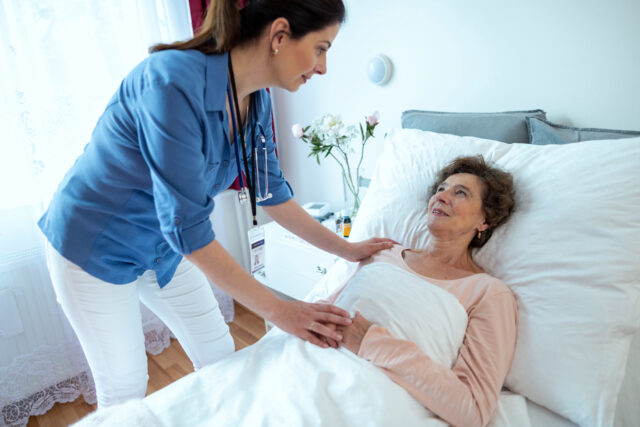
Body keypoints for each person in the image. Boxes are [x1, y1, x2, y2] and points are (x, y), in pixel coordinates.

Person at [37, 0, 395, 408]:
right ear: (279, 36)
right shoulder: (171, 82)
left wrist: (347, 249)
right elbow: (188, 229)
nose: (323, 67)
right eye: (321, 48)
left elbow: (272, 193)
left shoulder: (255, 100)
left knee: (221, 355)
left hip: (165, 248)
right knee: (125, 389)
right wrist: (284, 311)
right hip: (94, 245)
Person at [323, 155, 517, 427]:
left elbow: (472, 410)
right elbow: (323, 311)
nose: (442, 197)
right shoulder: (383, 252)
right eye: (440, 189)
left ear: (485, 220)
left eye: (460, 192)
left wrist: (371, 342)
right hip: (310, 359)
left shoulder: (487, 293)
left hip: (363, 397)